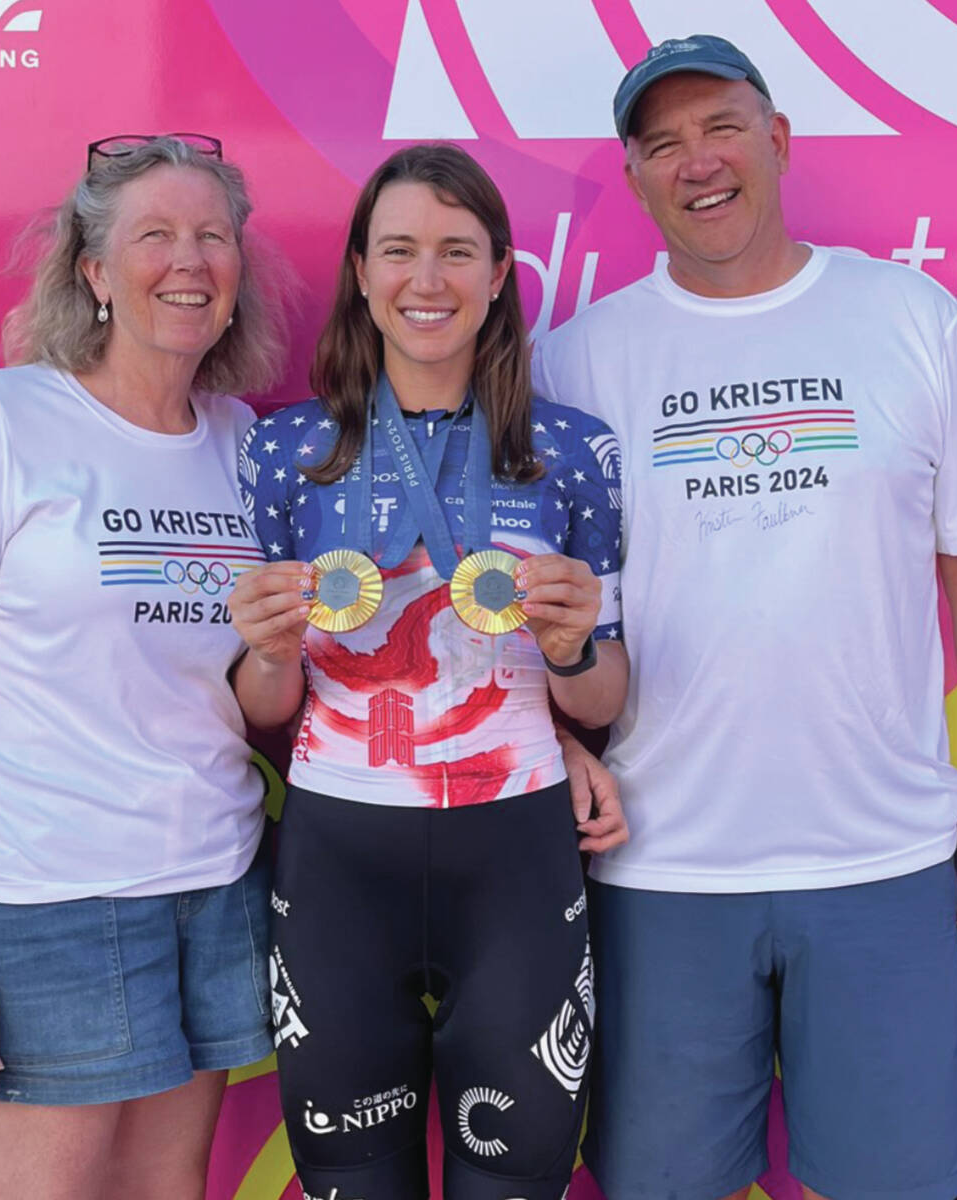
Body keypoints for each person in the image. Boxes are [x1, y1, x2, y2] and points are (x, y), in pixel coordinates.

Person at [532, 37, 957, 1200]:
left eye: (720, 127)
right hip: (658, 865)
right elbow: (537, 608)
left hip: (879, 856)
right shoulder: (579, 359)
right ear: (635, 177)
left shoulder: (906, 315)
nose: (697, 162)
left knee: (897, 1183)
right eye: (661, 144)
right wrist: (559, 746)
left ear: (779, 139)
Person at [0, 133, 287, 1200]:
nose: (189, 260)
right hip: (49, 903)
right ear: (95, 270)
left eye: (213, 236)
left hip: (213, 884)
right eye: (154, 235)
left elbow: (248, 693)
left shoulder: (246, 444)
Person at [227, 143, 629, 1200]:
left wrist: (571, 647)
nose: (428, 280)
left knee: (516, 1181)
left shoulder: (570, 451)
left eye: (459, 252)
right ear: (361, 271)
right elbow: (263, 708)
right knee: (352, 1182)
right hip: (337, 862)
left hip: (518, 857)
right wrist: (270, 648)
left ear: (500, 274)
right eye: (399, 250)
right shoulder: (287, 453)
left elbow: (602, 695)